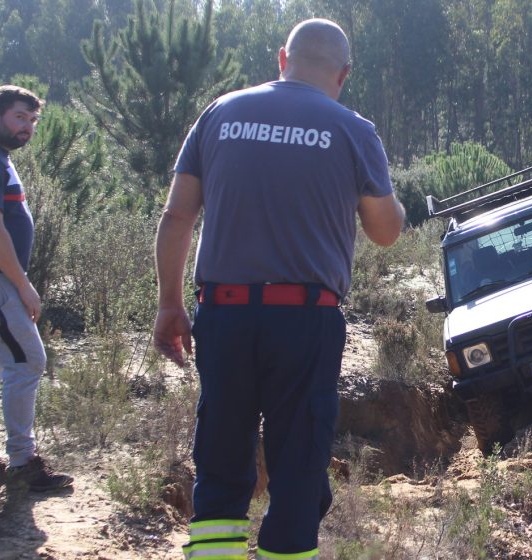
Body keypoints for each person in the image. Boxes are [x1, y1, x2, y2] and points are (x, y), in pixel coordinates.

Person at [153, 19, 405, 560]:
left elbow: (177, 216)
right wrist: (393, 200)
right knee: (297, 469)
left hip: (222, 315)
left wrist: (169, 305)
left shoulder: (219, 113)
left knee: (220, 460)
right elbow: (385, 233)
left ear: (281, 58)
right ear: (344, 74)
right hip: (304, 321)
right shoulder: (352, 129)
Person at [0, 85, 72, 492]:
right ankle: (22, 462)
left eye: (33, 121)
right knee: (29, 361)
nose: (28, 128)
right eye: (20, 117)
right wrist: (22, 285)